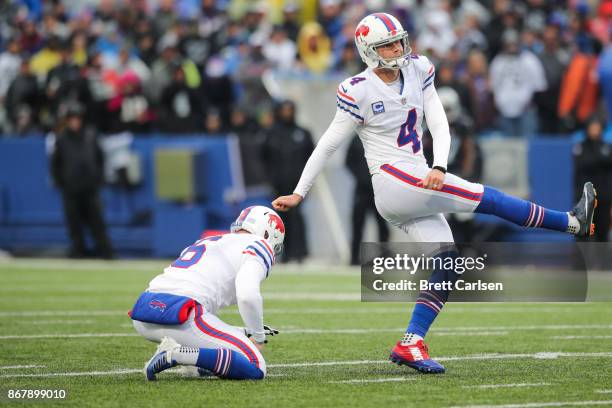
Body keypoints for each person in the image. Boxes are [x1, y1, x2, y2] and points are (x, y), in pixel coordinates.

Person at [271, 12, 597, 374]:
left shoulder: (417, 69)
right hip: (394, 182)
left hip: (418, 178)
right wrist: (300, 192)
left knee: (448, 261)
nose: (398, 48)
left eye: (399, 40)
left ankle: (411, 342)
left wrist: (439, 165)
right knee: (488, 198)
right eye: (388, 44)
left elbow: (439, 122)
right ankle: (571, 223)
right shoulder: (358, 89)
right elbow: (328, 144)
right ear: (369, 51)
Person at [131, 206, 285, 381]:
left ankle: (196, 365)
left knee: (219, 343)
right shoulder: (259, 244)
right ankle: (176, 355)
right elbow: (247, 295)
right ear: (268, 234)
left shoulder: (209, 240)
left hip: (144, 315)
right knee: (255, 366)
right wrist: (258, 337)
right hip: (183, 315)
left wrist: (241, 331)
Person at [50, 104, 113, 259]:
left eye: (77, 119)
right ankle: (78, 251)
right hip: (71, 188)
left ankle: (105, 251)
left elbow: (100, 158)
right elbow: (55, 163)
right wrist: (61, 182)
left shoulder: (91, 135)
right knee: (74, 222)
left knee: (96, 221)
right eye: (72, 119)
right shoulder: (62, 138)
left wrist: (98, 178)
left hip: (90, 187)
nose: (75, 122)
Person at [263, 100, 314, 262]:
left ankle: (300, 252)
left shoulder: (303, 133)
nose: (287, 113)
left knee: (298, 217)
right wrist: (270, 178)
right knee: (278, 221)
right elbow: (262, 158)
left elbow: (312, 158)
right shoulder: (271, 133)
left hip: (297, 187)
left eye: (290, 110)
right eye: (284, 110)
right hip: (278, 185)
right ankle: (281, 253)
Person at [345, 136, 390, 265]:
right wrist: (361, 178)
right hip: (362, 191)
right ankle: (354, 259)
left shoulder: (383, 138)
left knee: (383, 226)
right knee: (357, 225)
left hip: (379, 190)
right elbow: (348, 162)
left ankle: (384, 259)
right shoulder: (356, 139)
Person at [573, 117, 612, 242]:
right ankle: (581, 261)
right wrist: (600, 160)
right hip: (584, 197)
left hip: (604, 197)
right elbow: (582, 164)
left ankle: (602, 261)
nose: (595, 130)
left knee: (603, 231)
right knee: (582, 232)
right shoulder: (580, 146)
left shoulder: (607, 146)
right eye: (592, 127)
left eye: (597, 127)